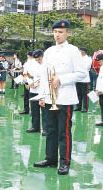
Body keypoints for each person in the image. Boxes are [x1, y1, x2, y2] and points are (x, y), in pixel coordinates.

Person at [33, 20, 86, 175]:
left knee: (64, 131)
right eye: (55, 32)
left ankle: (64, 162)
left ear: (68, 33)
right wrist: (42, 96)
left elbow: (82, 73)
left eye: (61, 32)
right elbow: (44, 75)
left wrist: (61, 79)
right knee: (50, 130)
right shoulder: (49, 51)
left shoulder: (73, 50)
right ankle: (50, 159)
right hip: (50, 98)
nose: (57, 35)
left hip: (65, 97)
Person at [26, 49, 48, 136]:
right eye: (36, 59)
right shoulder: (31, 64)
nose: (38, 60)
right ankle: (35, 127)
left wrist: (40, 82)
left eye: (39, 58)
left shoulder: (47, 64)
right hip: (34, 90)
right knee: (34, 110)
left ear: (42, 56)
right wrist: (30, 83)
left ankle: (46, 128)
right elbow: (28, 75)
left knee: (45, 111)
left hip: (44, 91)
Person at [75, 47, 92, 113]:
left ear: (83, 51)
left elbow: (86, 67)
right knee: (78, 93)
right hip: (78, 78)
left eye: (80, 51)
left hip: (85, 79)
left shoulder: (88, 58)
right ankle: (78, 106)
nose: (79, 52)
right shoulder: (78, 58)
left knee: (85, 94)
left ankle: (85, 107)